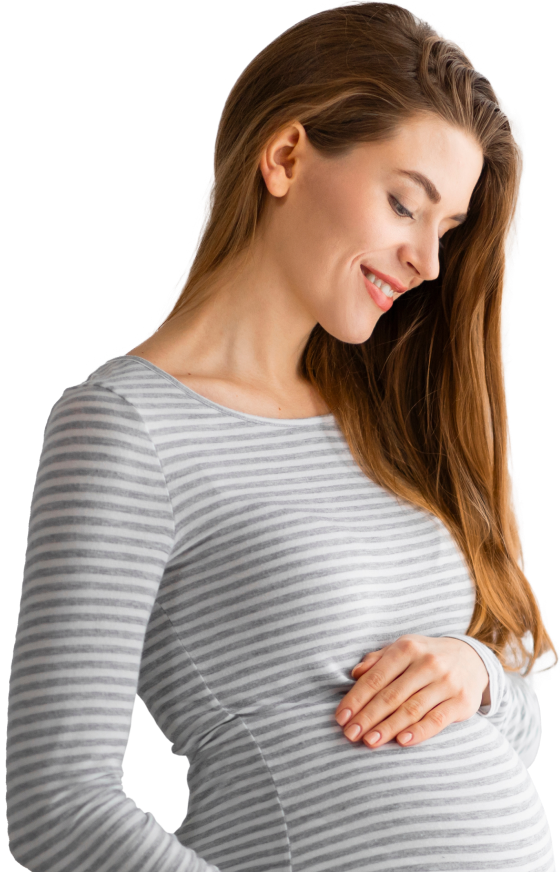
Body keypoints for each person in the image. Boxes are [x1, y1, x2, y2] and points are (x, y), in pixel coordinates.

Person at [6, 2, 558, 870]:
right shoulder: (125, 429)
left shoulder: (397, 418)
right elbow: (59, 809)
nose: (428, 263)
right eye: (405, 205)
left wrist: (476, 670)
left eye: (447, 231)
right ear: (287, 156)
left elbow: (517, 723)